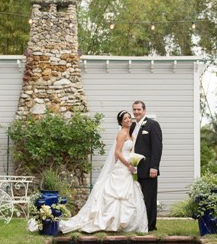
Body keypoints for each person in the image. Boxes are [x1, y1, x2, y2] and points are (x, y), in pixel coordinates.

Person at [59, 110, 148, 234]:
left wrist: (134, 162)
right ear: (121, 122)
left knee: (128, 195)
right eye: (125, 119)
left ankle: (124, 224)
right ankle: (110, 223)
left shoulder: (131, 134)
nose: (128, 120)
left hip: (128, 169)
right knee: (115, 195)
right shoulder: (122, 133)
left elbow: (130, 152)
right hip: (122, 167)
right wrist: (128, 164)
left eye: (129, 117)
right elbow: (117, 152)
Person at [130, 100, 162, 231]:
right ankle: (139, 225)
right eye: (134, 110)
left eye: (139, 109)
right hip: (135, 170)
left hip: (149, 169)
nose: (136, 112)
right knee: (137, 198)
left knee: (149, 198)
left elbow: (157, 147)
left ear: (144, 110)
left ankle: (151, 226)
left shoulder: (152, 125)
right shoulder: (132, 126)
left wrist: (154, 166)